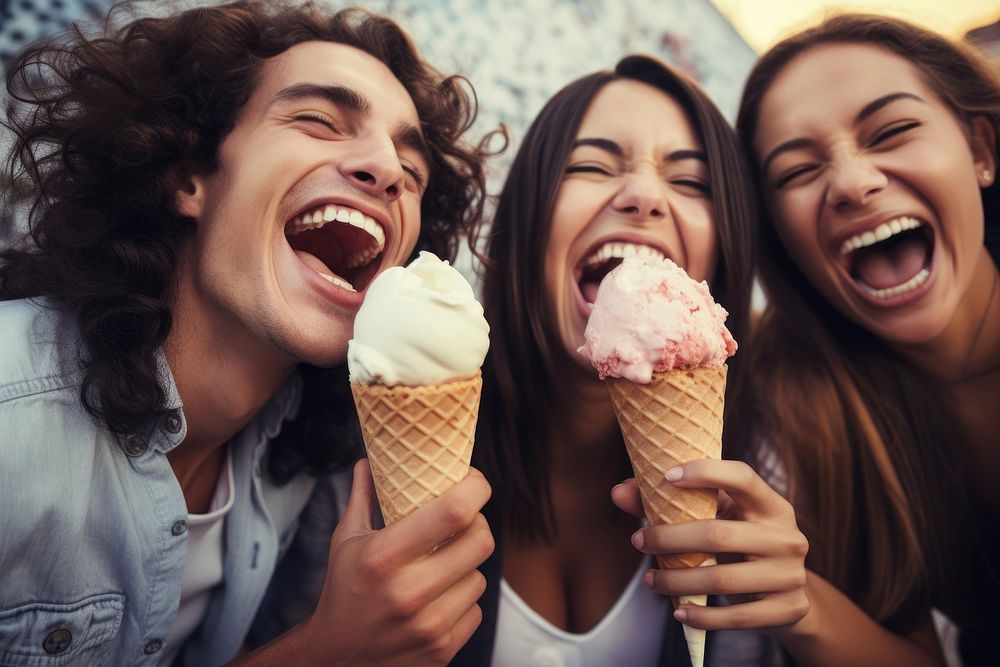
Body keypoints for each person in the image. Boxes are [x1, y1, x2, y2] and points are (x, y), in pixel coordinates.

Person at [0, 1, 497, 664]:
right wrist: (321, 652)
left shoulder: (314, 475)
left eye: (412, 175)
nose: (385, 170)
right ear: (187, 175)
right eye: (318, 120)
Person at [452, 54, 809, 667]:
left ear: (724, 256)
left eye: (692, 182)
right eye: (590, 165)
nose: (644, 195)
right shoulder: (369, 463)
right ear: (528, 219)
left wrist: (797, 608)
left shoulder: (765, 478)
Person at [733, 13, 1000, 666]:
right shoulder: (796, 412)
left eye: (893, 131)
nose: (852, 183)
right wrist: (807, 603)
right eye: (797, 172)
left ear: (981, 151)